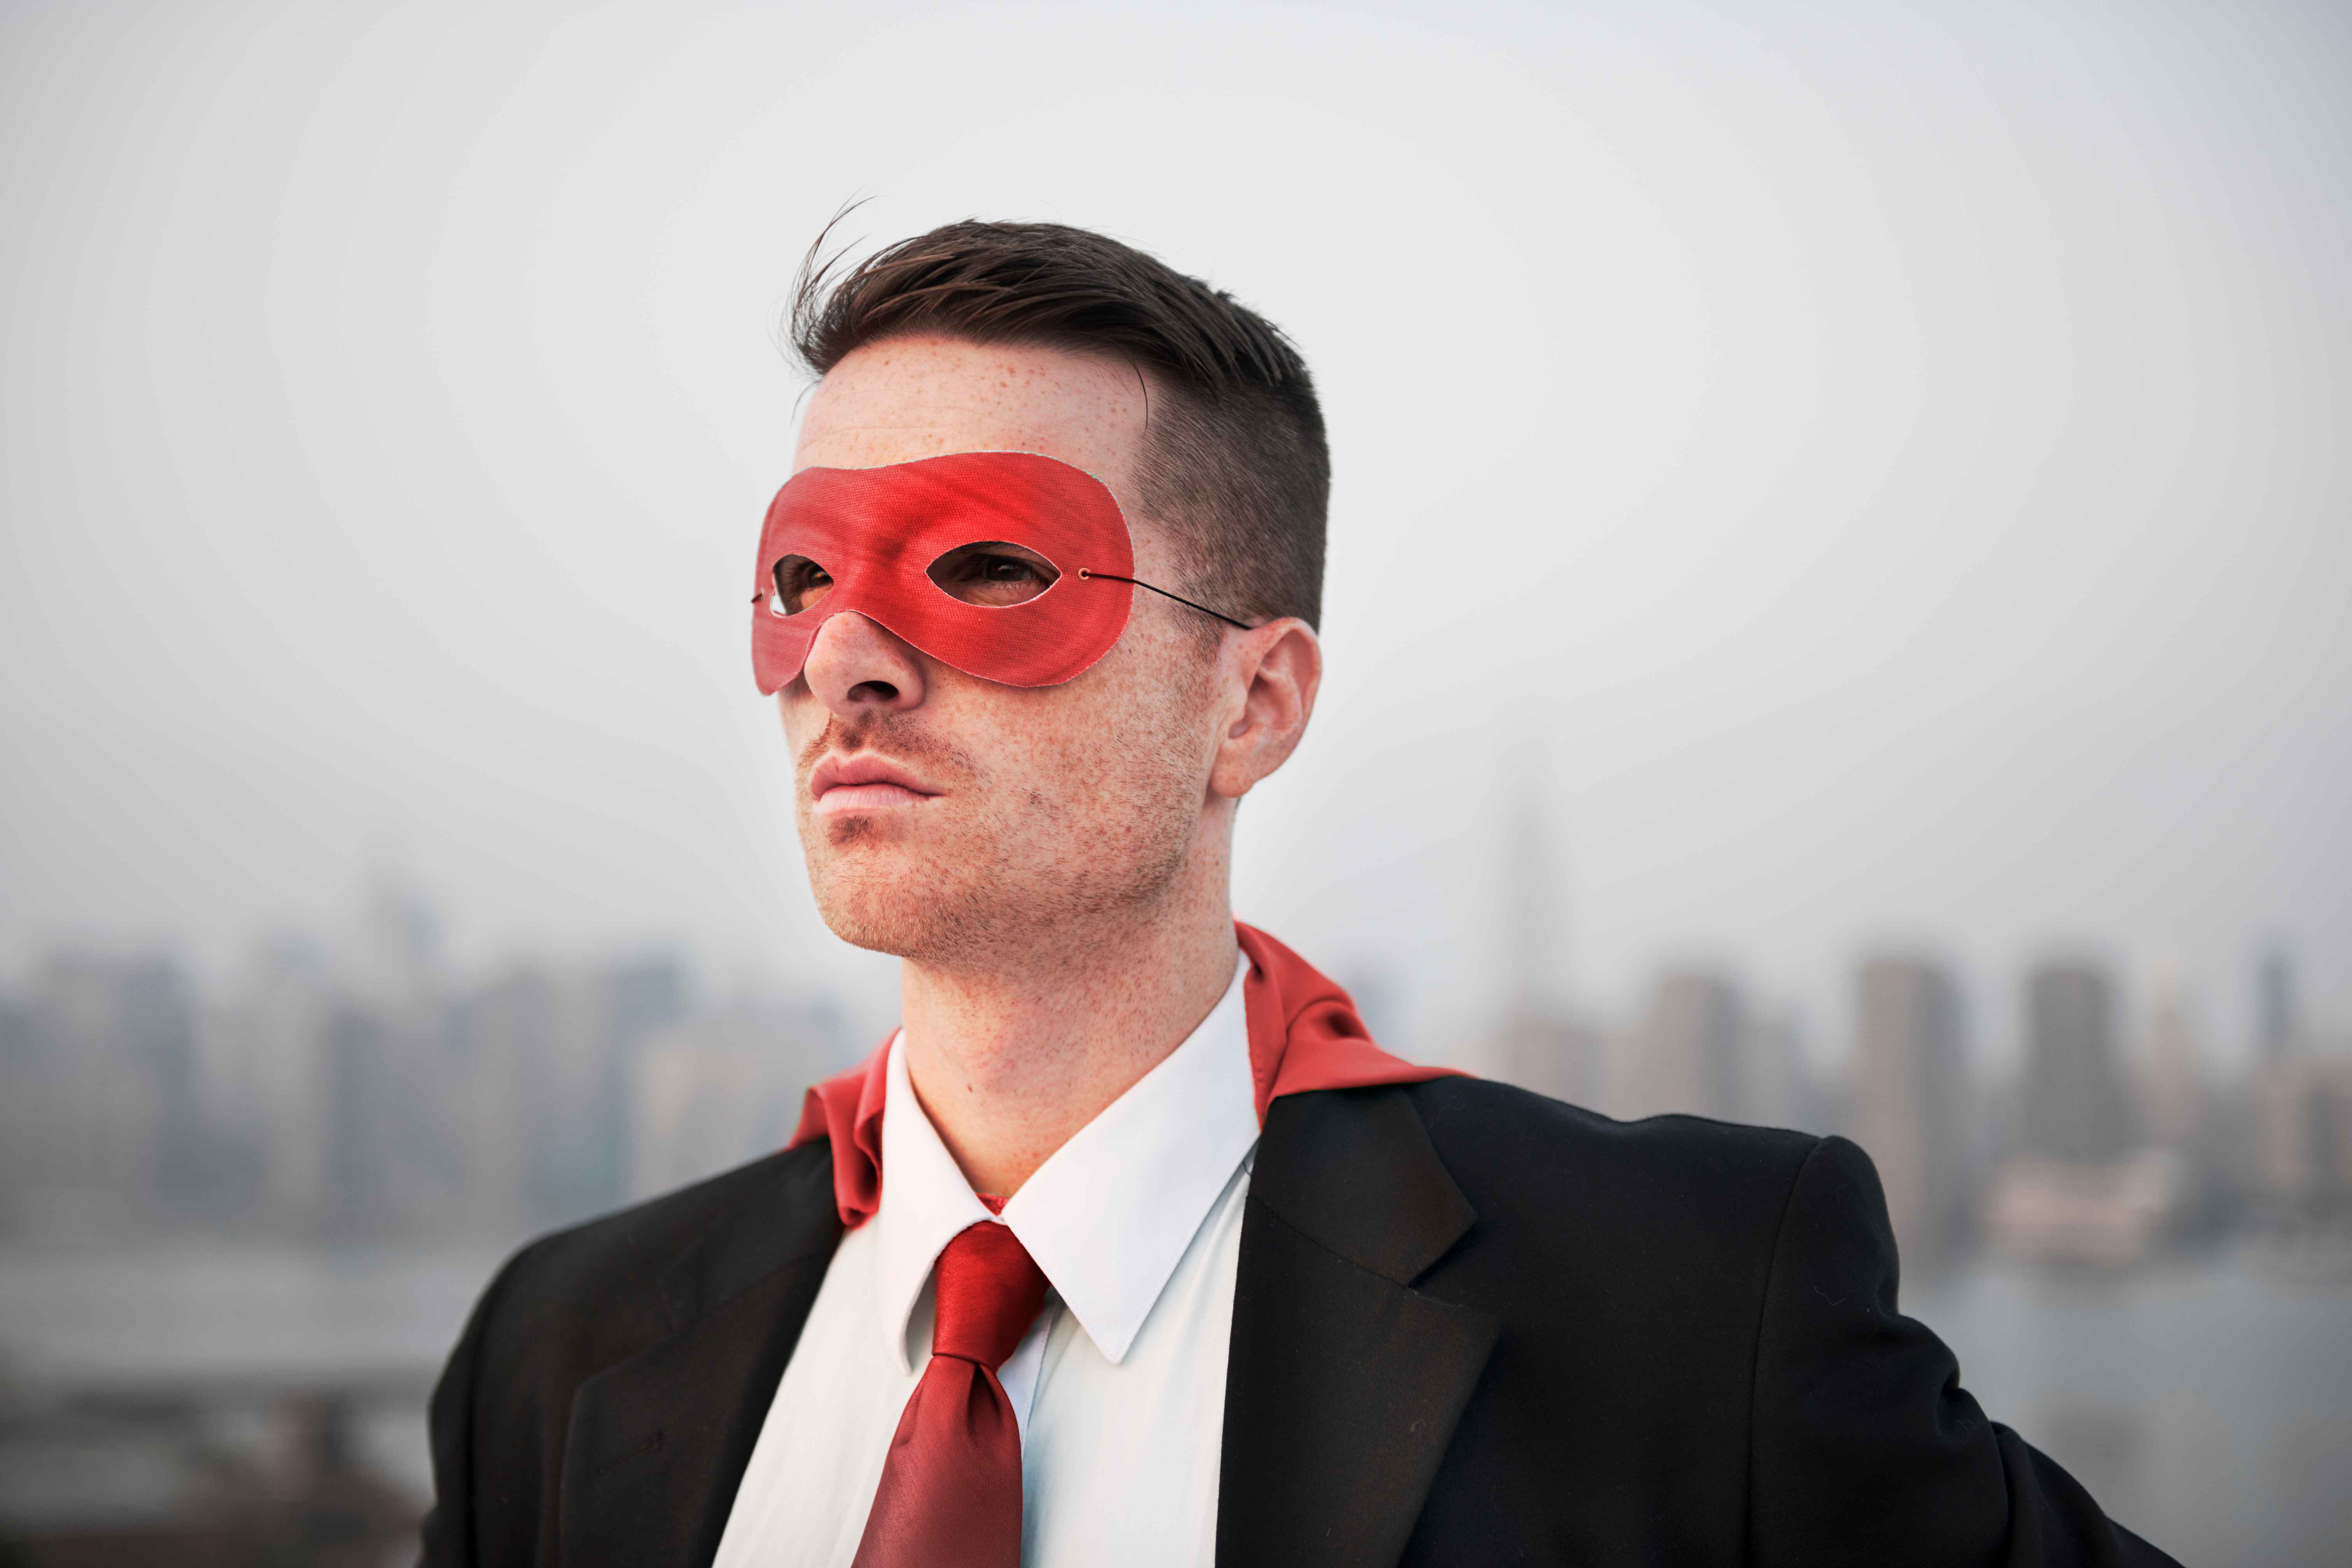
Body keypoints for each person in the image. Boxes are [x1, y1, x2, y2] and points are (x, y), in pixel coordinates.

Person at [420, 220, 2177, 1568]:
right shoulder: (557, 1354)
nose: (848, 656)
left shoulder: (1693, 1307)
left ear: (1251, 703)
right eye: (798, 578)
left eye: (989, 565)